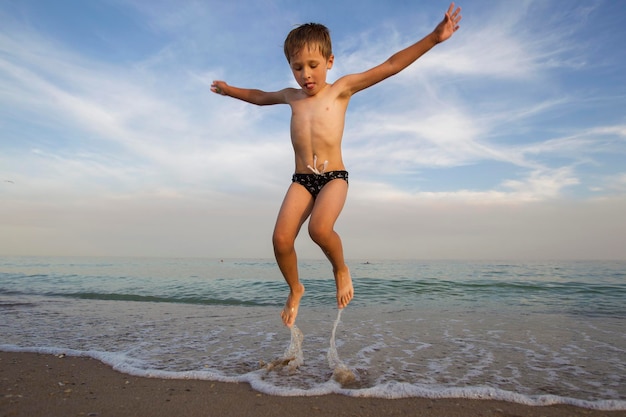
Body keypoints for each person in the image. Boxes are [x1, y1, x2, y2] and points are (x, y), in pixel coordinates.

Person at [212, 4, 462, 327]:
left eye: (313, 65)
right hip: (302, 181)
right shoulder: (292, 97)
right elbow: (260, 96)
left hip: (333, 178)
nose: (306, 74)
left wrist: (433, 38)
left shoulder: (341, 90)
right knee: (280, 240)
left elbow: (389, 66)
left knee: (319, 229)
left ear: (329, 62)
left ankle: (340, 269)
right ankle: (295, 288)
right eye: (297, 67)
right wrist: (229, 91)